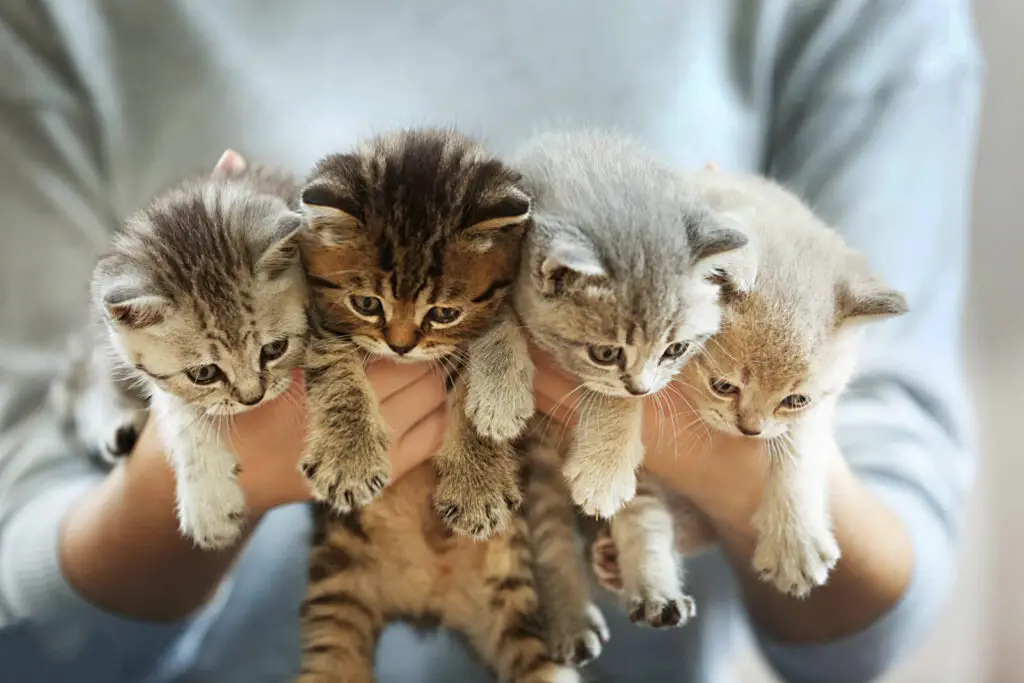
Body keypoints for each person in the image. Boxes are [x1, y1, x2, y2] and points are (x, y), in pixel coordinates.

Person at [0, 1, 981, 682]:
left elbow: (863, 632)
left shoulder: (859, 16)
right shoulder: (56, 20)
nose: (400, 333)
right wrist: (205, 444)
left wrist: (722, 441)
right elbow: (30, 607)